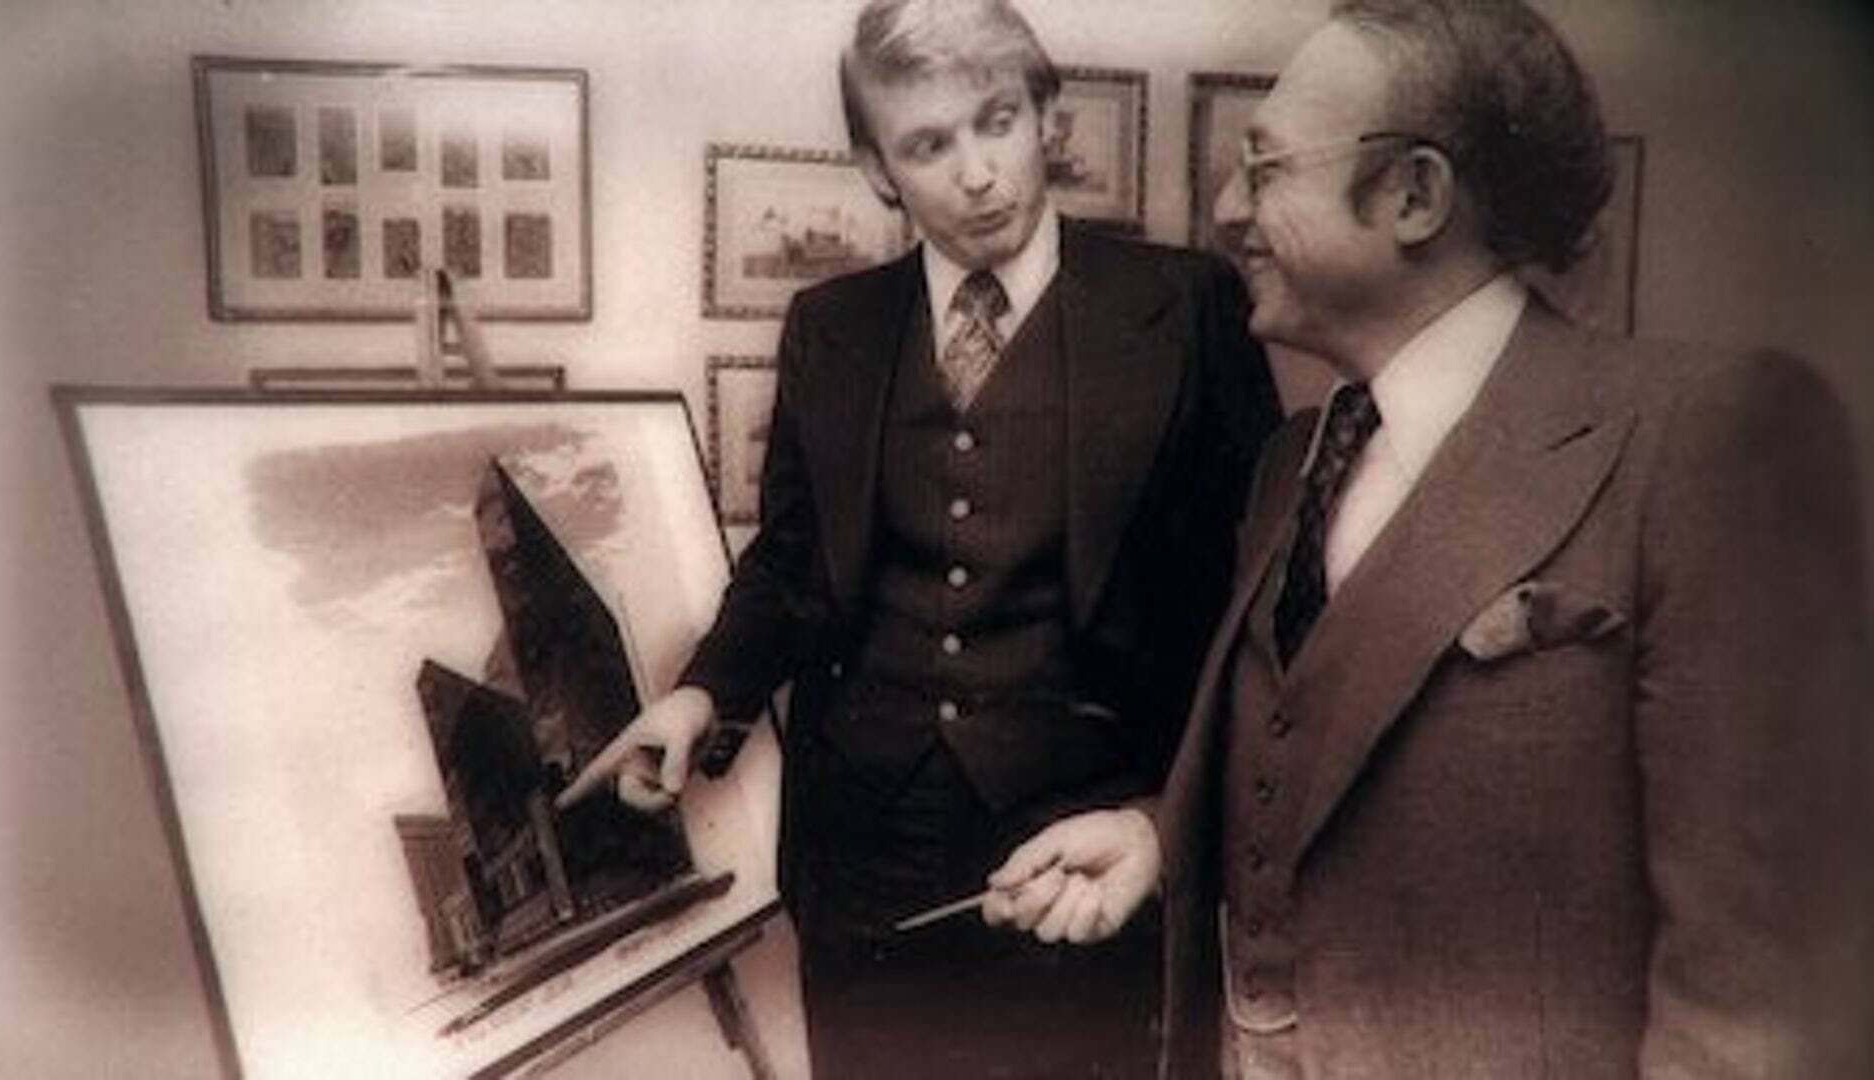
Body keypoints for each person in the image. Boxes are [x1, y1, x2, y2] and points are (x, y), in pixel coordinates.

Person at [982, 1, 1872, 1077]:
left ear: (1415, 195)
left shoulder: (1712, 436)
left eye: (1264, 169)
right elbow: (1317, 766)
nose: (1225, 210)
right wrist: (1162, 838)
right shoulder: (1292, 462)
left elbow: (1755, 1000)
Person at [557, 0, 1281, 1075]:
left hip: (1083, 855)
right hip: (862, 865)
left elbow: (1258, 595)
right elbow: (792, 563)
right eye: (929, 145)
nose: (977, 173)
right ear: (878, 169)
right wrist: (701, 694)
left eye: (998, 122)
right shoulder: (831, 327)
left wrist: (1170, 820)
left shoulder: (1186, 307)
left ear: (1047, 115)